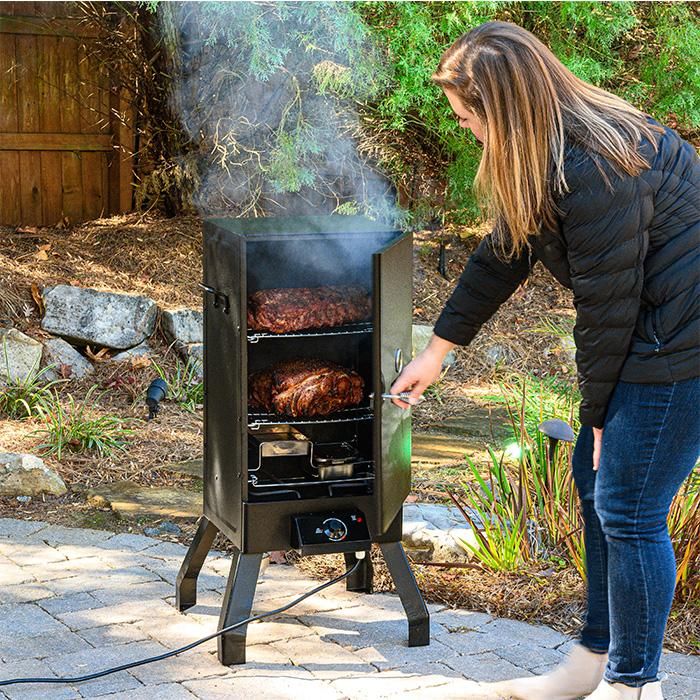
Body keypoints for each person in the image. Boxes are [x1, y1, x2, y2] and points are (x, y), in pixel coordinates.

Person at [390, 21, 699, 700]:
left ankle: (631, 687)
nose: (467, 130)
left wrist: (598, 420)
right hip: (652, 331)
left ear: (506, 106)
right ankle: (588, 665)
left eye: (469, 117)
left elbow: (607, 311)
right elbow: (505, 250)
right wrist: (437, 351)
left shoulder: (596, 166)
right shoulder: (548, 152)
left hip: (681, 346)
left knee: (632, 508)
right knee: (600, 494)